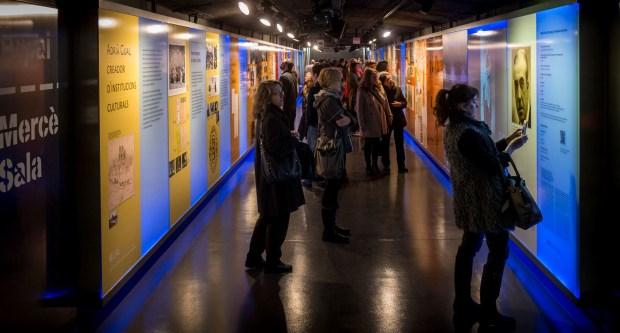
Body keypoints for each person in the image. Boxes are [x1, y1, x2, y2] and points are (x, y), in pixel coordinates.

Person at [435, 84, 528, 331]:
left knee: (468, 248)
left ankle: (463, 303)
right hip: (485, 201)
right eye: (474, 102)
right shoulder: (468, 133)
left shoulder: (457, 128)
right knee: (498, 252)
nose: (477, 105)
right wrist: (512, 149)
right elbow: (492, 165)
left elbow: (483, 153)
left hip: (470, 199)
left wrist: (508, 140)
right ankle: (488, 312)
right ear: (462, 106)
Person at [246, 80, 305, 274]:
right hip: (277, 177)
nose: (282, 96)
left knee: (268, 217)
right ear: (268, 97)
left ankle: (254, 257)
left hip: (270, 177)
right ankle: (273, 260)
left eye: (281, 93)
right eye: (278, 94)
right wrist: (293, 140)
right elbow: (275, 148)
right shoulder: (272, 118)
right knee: (278, 219)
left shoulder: (266, 116)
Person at [313, 67, 352, 244]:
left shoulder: (330, 99)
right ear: (331, 81)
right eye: (339, 80)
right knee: (331, 189)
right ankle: (328, 231)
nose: (342, 83)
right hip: (331, 148)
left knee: (334, 189)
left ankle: (332, 226)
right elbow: (342, 120)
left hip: (334, 146)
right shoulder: (329, 101)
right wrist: (351, 119)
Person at [356, 68, 392, 176]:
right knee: (368, 145)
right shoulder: (362, 91)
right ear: (367, 78)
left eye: (376, 77)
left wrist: (389, 116)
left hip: (380, 121)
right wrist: (362, 125)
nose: (376, 79)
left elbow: (385, 103)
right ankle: (369, 166)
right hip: (369, 123)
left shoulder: (379, 88)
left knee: (376, 144)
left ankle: (375, 165)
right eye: (373, 77)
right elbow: (359, 109)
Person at [379, 72, 408, 173]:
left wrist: (400, 104)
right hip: (387, 120)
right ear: (382, 82)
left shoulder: (397, 89)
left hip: (398, 119)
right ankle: (386, 166)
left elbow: (405, 102)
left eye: (390, 78)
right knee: (385, 143)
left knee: (399, 143)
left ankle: (401, 165)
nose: (390, 80)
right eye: (387, 79)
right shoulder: (381, 92)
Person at [279, 61, 298, 130]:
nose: (281, 63)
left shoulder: (283, 77)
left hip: (286, 109)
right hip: (292, 107)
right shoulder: (293, 76)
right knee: (291, 128)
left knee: (286, 129)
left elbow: (283, 95)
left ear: (286, 66)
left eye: (284, 63)